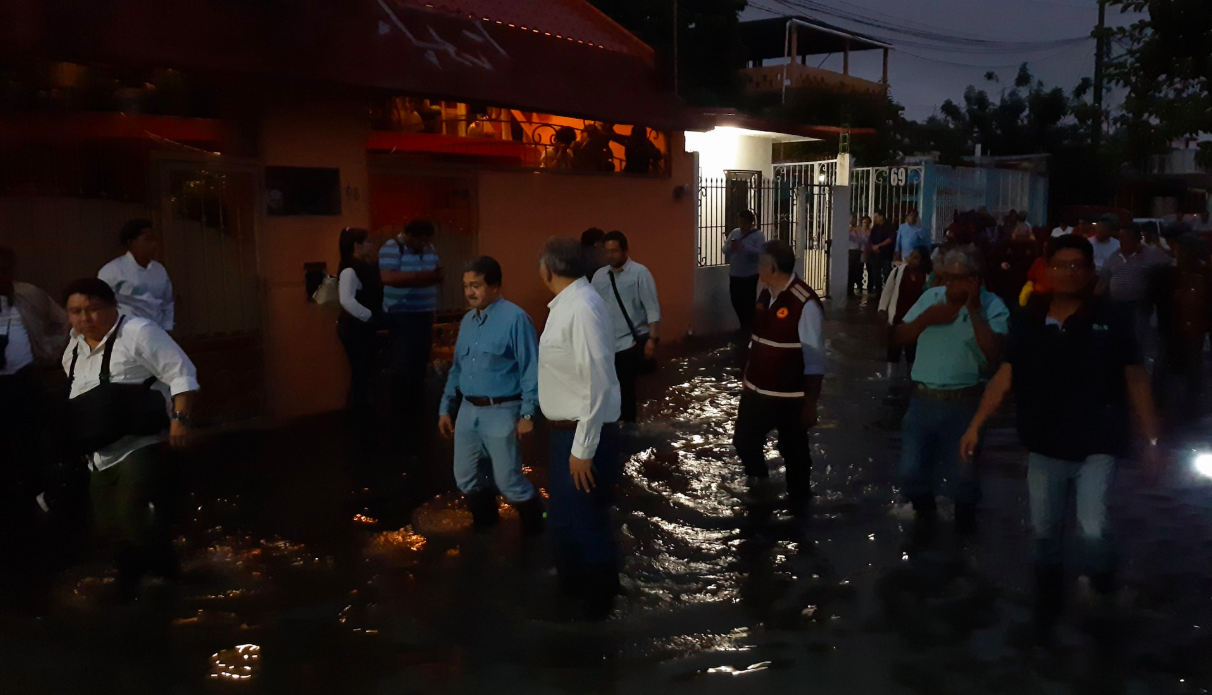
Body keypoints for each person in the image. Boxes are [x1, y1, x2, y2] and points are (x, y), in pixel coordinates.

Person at [959, 234, 1160, 642]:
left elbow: (1136, 379)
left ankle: (1104, 592)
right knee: (1045, 531)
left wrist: (1154, 441)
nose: (1068, 273)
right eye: (1060, 265)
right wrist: (976, 423)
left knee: (1092, 527)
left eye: (1077, 266)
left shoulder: (1114, 318)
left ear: (1089, 272)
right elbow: (1005, 376)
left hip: (1099, 443)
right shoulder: (1030, 321)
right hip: (1044, 443)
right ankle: (1046, 612)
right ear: (1046, 271)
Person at [62, 278, 198, 601]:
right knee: (109, 524)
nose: (84, 318)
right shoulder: (73, 349)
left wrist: (180, 419)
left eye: (93, 309)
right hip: (99, 450)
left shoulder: (138, 332)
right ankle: (132, 579)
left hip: (141, 441)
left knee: (132, 511)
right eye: (75, 311)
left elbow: (182, 373)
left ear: (112, 307)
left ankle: (168, 574)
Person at [893, 248, 1010, 537]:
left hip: (966, 404)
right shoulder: (932, 299)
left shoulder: (993, 306)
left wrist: (972, 311)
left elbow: (995, 354)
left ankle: (965, 536)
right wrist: (926, 319)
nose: (950, 286)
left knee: (964, 478)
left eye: (959, 279)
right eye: (945, 278)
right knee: (911, 475)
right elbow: (897, 337)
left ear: (976, 280)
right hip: (922, 401)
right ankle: (925, 521)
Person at [537, 236, 622, 619]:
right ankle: (574, 595)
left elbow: (598, 381)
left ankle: (600, 607)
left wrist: (583, 448)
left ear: (548, 269)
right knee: (566, 523)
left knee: (588, 522)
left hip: (580, 435)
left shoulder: (583, 307)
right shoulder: (567, 305)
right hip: (565, 435)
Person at [438, 257, 543, 534]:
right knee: (465, 478)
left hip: (502, 410)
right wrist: (445, 408)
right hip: (468, 411)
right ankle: (487, 531)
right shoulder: (468, 321)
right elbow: (457, 369)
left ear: (495, 286)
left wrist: (528, 413)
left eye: (476, 285)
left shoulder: (515, 319)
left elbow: (532, 369)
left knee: (509, 482)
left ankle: (538, 536)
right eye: (466, 286)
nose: (470, 292)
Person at [733, 240, 825, 516]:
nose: (757, 266)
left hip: (790, 396)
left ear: (772, 266)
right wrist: (748, 378)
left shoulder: (804, 302)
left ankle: (800, 509)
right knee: (744, 441)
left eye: (761, 262)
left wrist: (810, 404)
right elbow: (756, 339)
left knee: (794, 451)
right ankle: (761, 486)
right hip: (757, 391)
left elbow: (815, 358)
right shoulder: (765, 293)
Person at [0, 247, 70, 589]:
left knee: (33, 448)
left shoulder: (27, 295)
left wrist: (50, 347)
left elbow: (65, 321)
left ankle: (35, 505)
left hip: (26, 381)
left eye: (5, 271)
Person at [591, 231, 660, 424]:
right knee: (606, 389)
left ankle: (629, 430)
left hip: (629, 343)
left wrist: (652, 339)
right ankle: (611, 427)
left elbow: (652, 308)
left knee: (627, 390)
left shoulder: (640, 274)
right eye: (607, 252)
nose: (610, 255)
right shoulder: (599, 276)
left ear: (625, 251)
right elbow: (593, 306)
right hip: (605, 343)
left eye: (614, 251)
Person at [379, 219, 443, 418]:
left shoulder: (430, 248)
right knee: (403, 361)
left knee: (420, 359)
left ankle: (417, 404)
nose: (423, 245)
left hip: (424, 311)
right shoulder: (392, 247)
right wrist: (422, 277)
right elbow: (388, 278)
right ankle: (400, 408)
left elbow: (439, 274)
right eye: (420, 241)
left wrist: (421, 277)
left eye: (426, 241)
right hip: (401, 313)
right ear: (408, 235)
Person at [1098, 224, 1174, 346]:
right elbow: (1104, 278)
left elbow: (1171, 264)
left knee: (1136, 339)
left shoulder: (1151, 254)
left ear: (1136, 239)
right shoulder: (1114, 256)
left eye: (1127, 237)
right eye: (1121, 237)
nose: (1123, 241)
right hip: (1117, 304)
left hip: (1138, 304)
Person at [98, 219, 175, 332]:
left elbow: (167, 302)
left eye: (154, 239)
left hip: (157, 330)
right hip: (127, 332)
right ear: (131, 242)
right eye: (147, 239)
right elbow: (100, 303)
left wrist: (168, 327)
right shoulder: (113, 270)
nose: (153, 244)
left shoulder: (159, 270)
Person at [336, 228, 383, 411]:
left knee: (363, 369)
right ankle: (360, 410)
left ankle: (362, 409)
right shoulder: (350, 268)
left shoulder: (363, 265)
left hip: (360, 326)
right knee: (361, 369)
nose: (372, 245)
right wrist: (369, 316)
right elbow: (347, 299)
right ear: (357, 245)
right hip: (355, 327)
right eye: (368, 241)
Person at [878, 246, 932, 378]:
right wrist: (882, 310)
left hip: (915, 324)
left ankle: (911, 379)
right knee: (893, 354)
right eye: (911, 256)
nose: (911, 260)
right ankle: (892, 381)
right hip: (896, 321)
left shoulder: (927, 278)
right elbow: (887, 292)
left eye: (915, 258)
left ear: (923, 261)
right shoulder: (897, 272)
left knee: (912, 354)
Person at [724, 210, 765, 333]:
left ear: (750, 223)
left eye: (744, 223)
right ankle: (744, 325)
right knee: (736, 300)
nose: (742, 225)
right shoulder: (735, 233)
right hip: (735, 273)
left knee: (748, 302)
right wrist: (731, 247)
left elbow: (761, 252)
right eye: (740, 222)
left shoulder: (758, 235)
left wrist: (744, 247)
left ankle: (748, 327)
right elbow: (725, 249)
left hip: (750, 274)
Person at [867, 211, 897, 296]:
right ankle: (878, 291)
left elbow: (891, 238)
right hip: (875, 255)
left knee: (886, 272)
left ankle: (888, 292)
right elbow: (870, 238)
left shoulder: (889, 226)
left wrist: (879, 246)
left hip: (885, 254)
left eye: (876, 217)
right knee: (876, 273)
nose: (875, 219)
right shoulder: (875, 228)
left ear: (881, 217)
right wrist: (873, 247)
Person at [847, 216, 871, 296]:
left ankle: (854, 288)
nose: (854, 221)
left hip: (858, 251)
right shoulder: (848, 229)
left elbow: (862, 240)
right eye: (852, 219)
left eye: (855, 219)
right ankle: (849, 290)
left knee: (855, 271)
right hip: (851, 251)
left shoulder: (858, 230)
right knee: (851, 271)